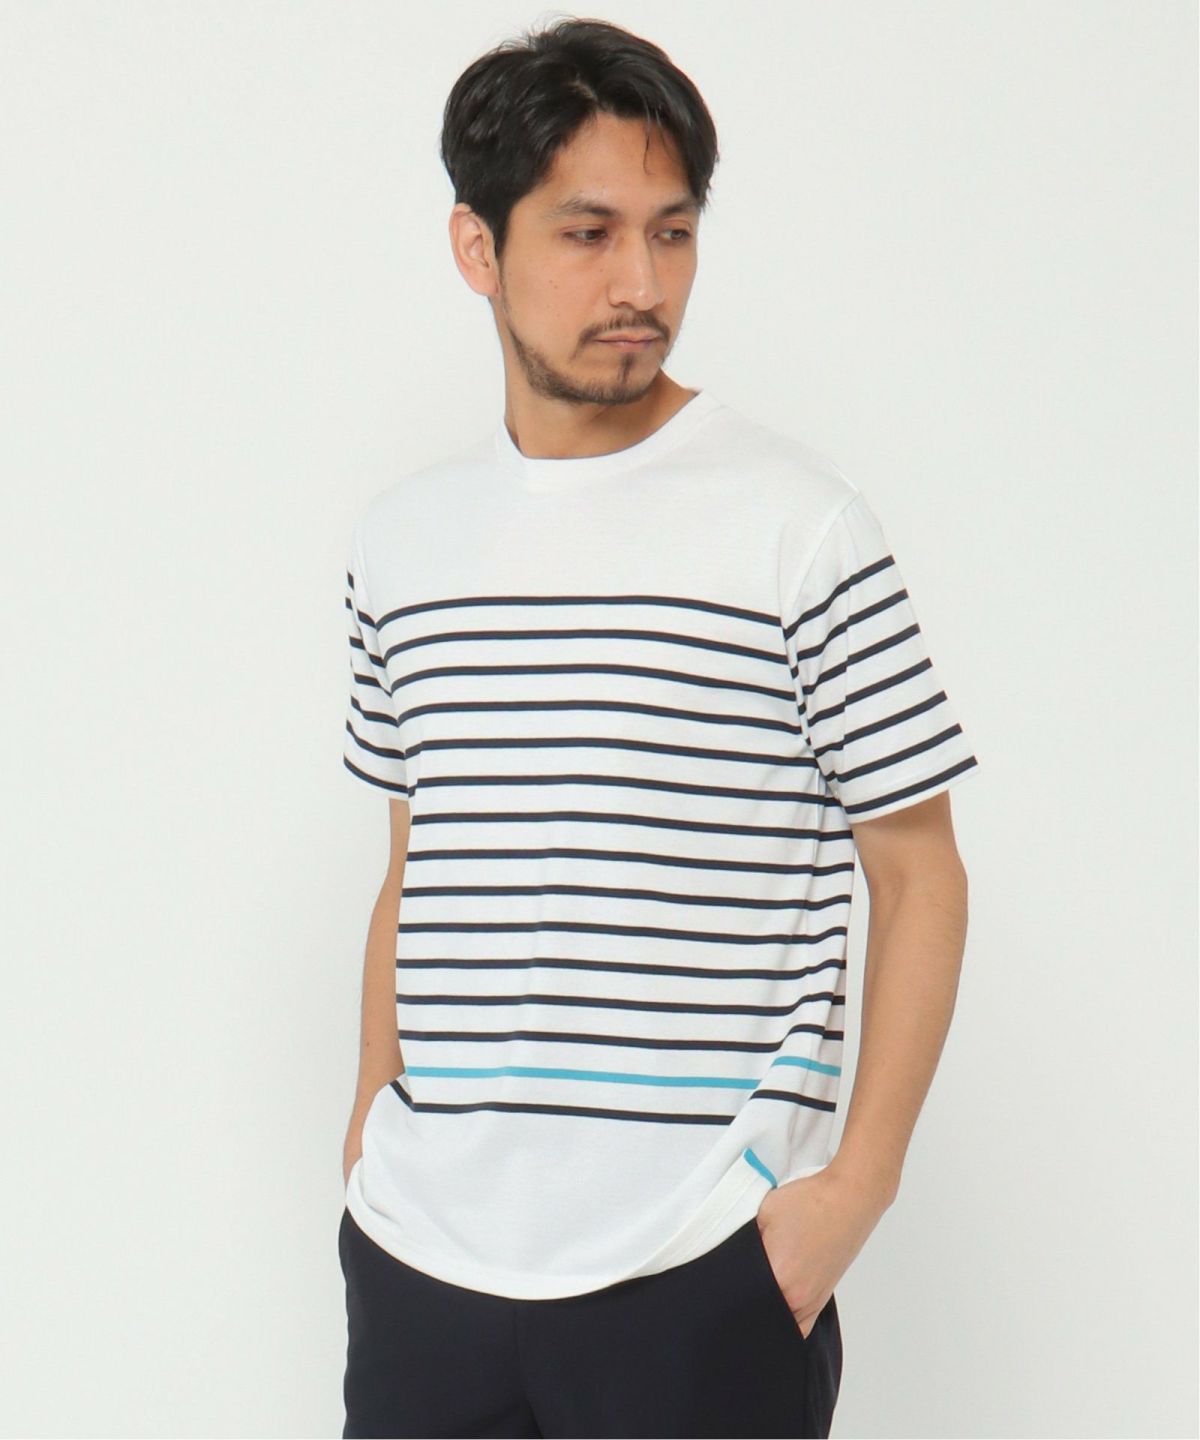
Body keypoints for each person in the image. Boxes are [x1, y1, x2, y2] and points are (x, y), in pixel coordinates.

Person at [336, 17, 980, 1439]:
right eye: (589, 234)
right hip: (424, 1262)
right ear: (477, 246)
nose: (642, 284)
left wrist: (850, 1196)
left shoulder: (799, 527)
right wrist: (368, 1130)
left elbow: (921, 871)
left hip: (698, 1268)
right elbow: (414, 865)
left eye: (672, 232)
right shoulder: (404, 545)